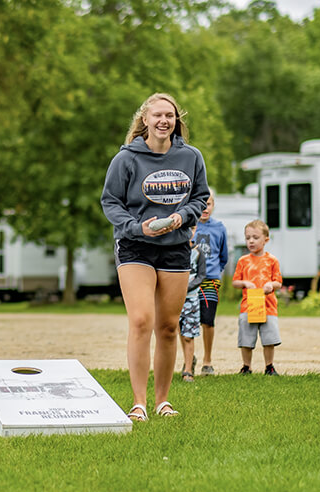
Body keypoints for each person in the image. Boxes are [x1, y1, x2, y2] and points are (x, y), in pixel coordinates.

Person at [101, 93, 209, 421]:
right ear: (145, 120)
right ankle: (139, 403)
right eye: (158, 115)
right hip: (136, 246)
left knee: (167, 327)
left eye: (170, 116)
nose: (164, 121)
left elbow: (201, 196)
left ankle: (163, 401)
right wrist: (137, 228)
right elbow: (110, 202)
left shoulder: (190, 156)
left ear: (177, 121)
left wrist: (182, 217)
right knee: (141, 320)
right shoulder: (126, 159)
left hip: (176, 246)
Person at [231, 220, 282, 375]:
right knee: (246, 338)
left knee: (269, 339)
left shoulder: (272, 260)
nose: (251, 241)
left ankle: (269, 366)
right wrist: (245, 283)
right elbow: (235, 282)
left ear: (266, 239)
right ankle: (246, 366)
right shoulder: (243, 261)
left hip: (268, 306)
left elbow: (278, 282)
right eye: (248, 238)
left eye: (255, 237)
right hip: (248, 306)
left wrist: (271, 285)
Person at [192, 189, 228, 375]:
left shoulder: (219, 227)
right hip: (189, 281)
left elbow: (223, 256)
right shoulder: (190, 226)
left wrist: (214, 272)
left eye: (209, 203)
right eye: (202, 204)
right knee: (187, 320)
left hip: (210, 280)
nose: (205, 208)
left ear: (213, 205)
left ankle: (207, 360)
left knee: (208, 320)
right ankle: (189, 358)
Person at [178, 235, 206, 382]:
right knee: (176, 333)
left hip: (191, 299)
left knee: (189, 335)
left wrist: (185, 288)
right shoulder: (173, 250)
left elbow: (201, 276)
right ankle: (184, 362)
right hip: (174, 299)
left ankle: (188, 371)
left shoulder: (199, 252)